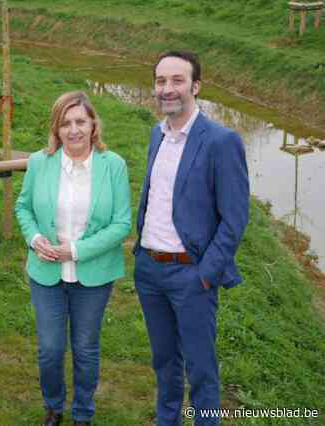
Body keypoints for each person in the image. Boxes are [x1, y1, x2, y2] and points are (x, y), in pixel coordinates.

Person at [134, 51, 250, 426]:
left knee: (201, 369)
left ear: (196, 86)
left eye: (177, 80)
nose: (167, 89)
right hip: (150, 271)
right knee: (165, 363)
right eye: (160, 81)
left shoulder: (221, 141)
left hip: (191, 275)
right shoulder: (157, 134)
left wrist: (206, 273)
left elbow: (235, 218)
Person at [15, 91, 132, 426]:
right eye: (65, 123)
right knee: (50, 349)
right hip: (46, 272)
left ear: (94, 124)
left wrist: (77, 251)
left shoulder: (114, 166)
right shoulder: (40, 162)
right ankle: (53, 407)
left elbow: (122, 222)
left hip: (93, 273)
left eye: (80, 121)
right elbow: (23, 207)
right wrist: (35, 238)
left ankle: (83, 413)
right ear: (56, 128)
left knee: (85, 348)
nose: (74, 129)